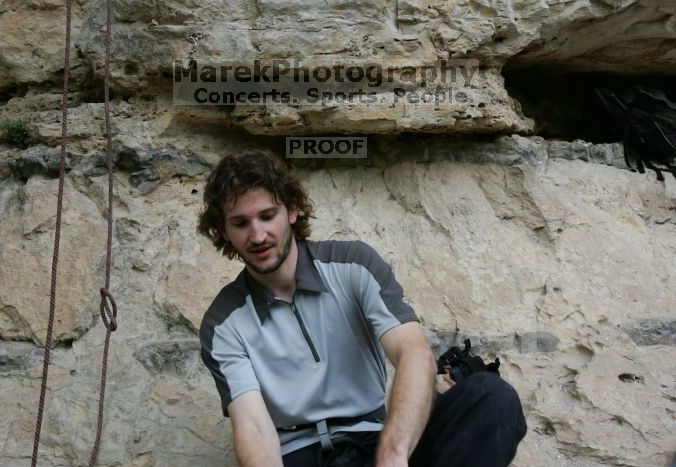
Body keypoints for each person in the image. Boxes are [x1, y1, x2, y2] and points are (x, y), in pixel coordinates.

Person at [197, 149, 527, 467]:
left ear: (293, 210)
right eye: (240, 223)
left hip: (373, 442)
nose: (257, 235)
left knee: (491, 397)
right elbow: (253, 427)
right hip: (298, 455)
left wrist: (394, 457)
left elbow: (413, 353)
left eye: (268, 216)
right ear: (224, 231)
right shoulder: (222, 322)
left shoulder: (355, 264)